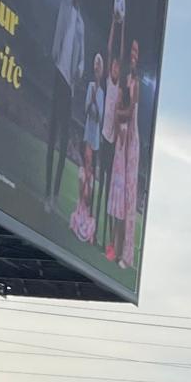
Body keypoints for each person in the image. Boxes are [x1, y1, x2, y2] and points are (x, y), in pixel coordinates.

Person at [45, 0, 86, 208]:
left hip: (69, 84)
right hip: (58, 75)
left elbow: (83, 56)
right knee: (51, 137)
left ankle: (56, 195)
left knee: (62, 140)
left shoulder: (81, 24)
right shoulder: (65, 5)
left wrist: (80, 69)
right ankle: (47, 191)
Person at [106, 42, 144, 267]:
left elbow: (128, 112)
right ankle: (113, 250)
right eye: (131, 51)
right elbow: (119, 111)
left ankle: (124, 254)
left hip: (131, 144)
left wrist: (119, 112)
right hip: (121, 144)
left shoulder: (135, 83)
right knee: (116, 201)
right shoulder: (124, 83)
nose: (132, 56)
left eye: (135, 53)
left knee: (127, 202)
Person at [96, 0, 126, 240]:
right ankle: (96, 226)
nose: (114, 67)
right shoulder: (108, 81)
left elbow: (121, 53)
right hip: (101, 135)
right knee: (99, 183)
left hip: (111, 141)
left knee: (107, 189)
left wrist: (123, 25)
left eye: (117, 66)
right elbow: (109, 49)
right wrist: (114, 26)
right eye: (113, 65)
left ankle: (106, 233)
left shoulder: (118, 87)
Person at [71, 54, 104, 243]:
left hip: (96, 133)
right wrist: (91, 100)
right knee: (86, 165)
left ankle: (90, 227)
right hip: (88, 130)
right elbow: (87, 109)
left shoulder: (101, 92)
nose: (97, 66)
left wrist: (96, 103)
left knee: (91, 169)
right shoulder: (91, 87)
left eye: (99, 64)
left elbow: (99, 116)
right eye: (96, 63)